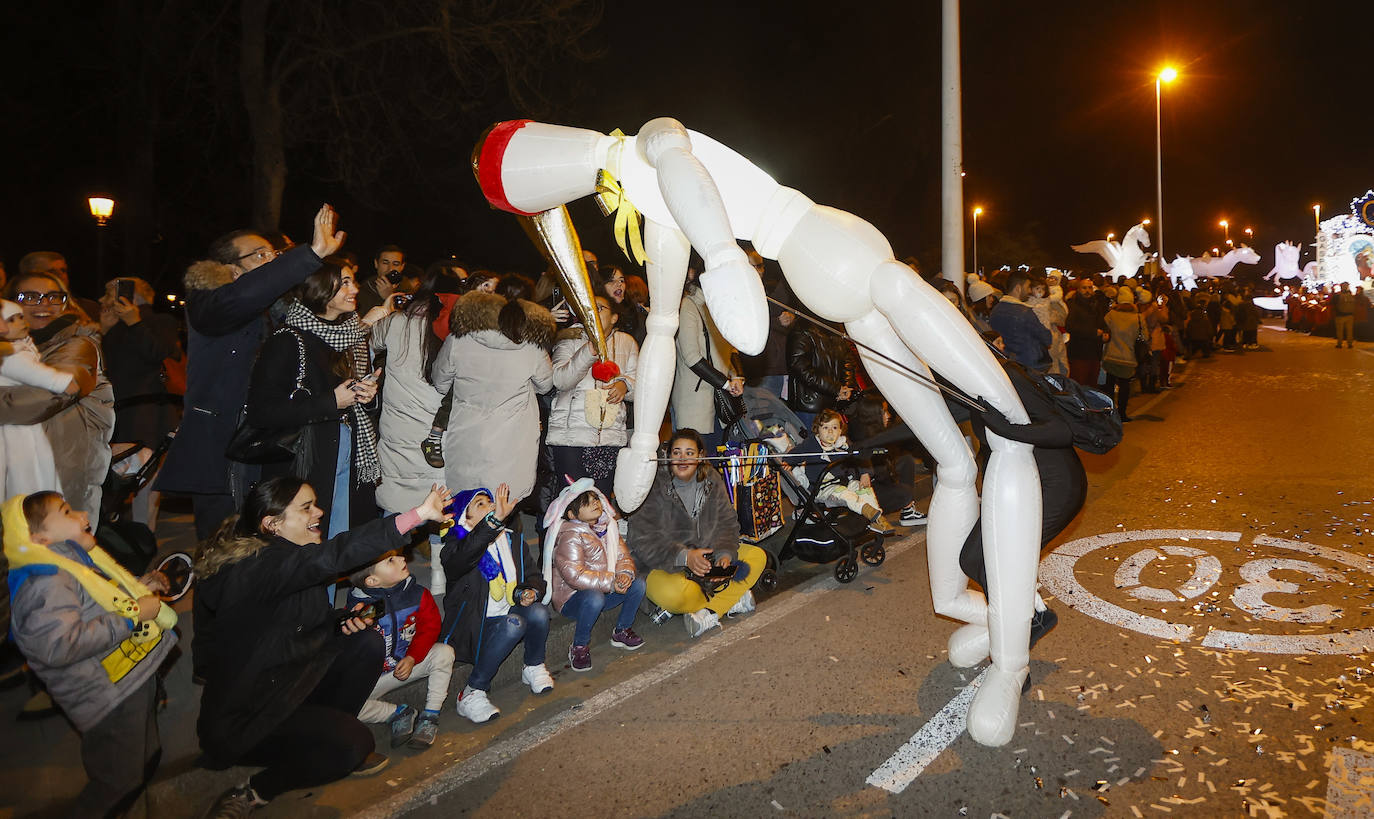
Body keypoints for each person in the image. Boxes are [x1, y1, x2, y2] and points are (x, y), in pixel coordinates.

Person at [196, 478, 451, 818]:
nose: (319, 512)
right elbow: (336, 554)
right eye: (306, 508)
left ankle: (327, 737)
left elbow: (295, 626)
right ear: (272, 524)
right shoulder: (259, 567)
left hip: (290, 687)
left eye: (315, 503)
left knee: (367, 641)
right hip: (249, 717)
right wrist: (417, 515)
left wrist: (341, 621)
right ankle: (257, 790)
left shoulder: (285, 557)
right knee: (356, 745)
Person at [156, 204, 345, 539]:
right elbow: (243, 298)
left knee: (264, 549)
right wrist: (311, 253)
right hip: (222, 449)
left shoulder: (279, 311)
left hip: (267, 445)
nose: (273, 262)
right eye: (260, 255)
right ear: (230, 269)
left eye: (275, 254)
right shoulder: (211, 302)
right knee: (225, 550)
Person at [5, 490, 177, 817]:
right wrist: (132, 616)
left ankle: (142, 775)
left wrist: (142, 585)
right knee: (116, 779)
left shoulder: (71, 562)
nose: (84, 515)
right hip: (106, 696)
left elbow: (98, 603)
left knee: (142, 750)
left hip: (129, 677)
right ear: (38, 538)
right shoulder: (44, 582)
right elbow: (59, 645)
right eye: (67, 512)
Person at [245, 259, 380, 538]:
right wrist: (331, 402)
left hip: (348, 452)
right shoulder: (287, 340)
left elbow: (347, 396)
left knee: (339, 535)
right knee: (306, 543)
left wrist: (366, 396)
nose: (354, 288)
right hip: (305, 461)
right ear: (319, 288)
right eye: (344, 282)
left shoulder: (350, 337)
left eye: (353, 280)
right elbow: (260, 412)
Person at [629, 428, 766, 637]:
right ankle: (730, 598)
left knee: (757, 556)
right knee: (674, 595)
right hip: (661, 566)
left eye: (689, 453)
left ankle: (708, 612)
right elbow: (643, 540)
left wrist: (725, 554)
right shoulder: (652, 484)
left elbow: (727, 523)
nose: (682, 459)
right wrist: (685, 556)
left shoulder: (711, 479)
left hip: (705, 564)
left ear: (701, 456)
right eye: (677, 452)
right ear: (668, 455)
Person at [438, 484, 554, 723]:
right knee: (514, 623)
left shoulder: (512, 541)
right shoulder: (455, 547)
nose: (491, 506)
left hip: (510, 612)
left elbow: (534, 577)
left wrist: (528, 591)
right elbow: (461, 560)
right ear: (464, 516)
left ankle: (532, 666)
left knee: (539, 612)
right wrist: (492, 523)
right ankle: (471, 692)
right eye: (480, 505)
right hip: (477, 626)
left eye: (490, 503)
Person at [2, 273, 114, 519]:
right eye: (29, 297)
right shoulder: (17, 348)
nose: (43, 304)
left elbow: (45, 397)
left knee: (56, 551)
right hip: (16, 469)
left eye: (54, 297)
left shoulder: (79, 344)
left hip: (60, 473)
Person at [431, 290, 554, 506]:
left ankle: (462, 539)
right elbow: (545, 385)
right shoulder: (531, 347)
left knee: (466, 508)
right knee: (504, 506)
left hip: (466, 440)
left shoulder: (458, 341)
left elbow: (440, 382)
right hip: (513, 444)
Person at [347, 551, 455, 749]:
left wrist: (413, 656)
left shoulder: (417, 594)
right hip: (376, 677)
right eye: (390, 560)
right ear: (372, 580)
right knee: (346, 705)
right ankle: (398, 713)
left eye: (397, 555)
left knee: (444, 653)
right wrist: (353, 624)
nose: (402, 559)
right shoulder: (360, 608)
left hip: (410, 663)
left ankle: (430, 715)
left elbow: (430, 628)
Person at [98, 277, 182, 529]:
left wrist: (134, 322)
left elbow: (158, 352)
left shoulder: (158, 321)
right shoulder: (108, 325)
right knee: (115, 476)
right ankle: (118, 534)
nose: (102, 300)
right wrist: (101, 331)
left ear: (133, 297)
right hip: (116, 410)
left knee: (146, 477)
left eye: (109, 294)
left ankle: (142, 537)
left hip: (147, 411)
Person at [541, 479, 646, 670]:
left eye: (596, 498)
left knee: (637, 584)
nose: (595, 503)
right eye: (586, 502)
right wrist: (611, 582)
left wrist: (624, 575)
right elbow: (574, 576)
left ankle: (622, 630)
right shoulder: (570, 535)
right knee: (594, 597)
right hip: (572, 599)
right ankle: (579, 646)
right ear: (572, 514)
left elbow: (624, 557)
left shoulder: (608, 527)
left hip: (604, 589)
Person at [547, 294, 638, 501]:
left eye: (599, 309)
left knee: (600, 504)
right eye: (589, 309)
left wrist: (625, 385)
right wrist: (588, 351)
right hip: (571, 439)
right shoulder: (569, 339)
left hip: (609, 438)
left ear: (614, 317)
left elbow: (641, 383)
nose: (593, 313)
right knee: (573, 503)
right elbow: (560, 380)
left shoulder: (626, 342)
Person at [0, 300, 80, 497]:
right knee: (26, 474)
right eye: (11, 319)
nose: (20, 322)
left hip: (21, 420)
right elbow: (32, 372)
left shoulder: (19, 347)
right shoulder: (10, 355)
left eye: (20, 317)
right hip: (14, 427)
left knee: (36, 468)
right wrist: (62, 382)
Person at [789, 409, 894, 534]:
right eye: (825, 427)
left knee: (864, 488)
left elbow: (859, 456)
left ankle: (877, 519)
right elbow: (794, 454)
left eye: (834, 427)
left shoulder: (843, 444)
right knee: (844, 493)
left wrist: (865, 473)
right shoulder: (811, 444)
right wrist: (787, 461)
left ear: (840, 430)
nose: (830, 431)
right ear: (817, 430)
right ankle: (870, 512)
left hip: (844, 482)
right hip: (823, 488)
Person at [672, 273, 743, 452]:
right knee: (694, 461)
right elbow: (691, 356)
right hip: (695, 400)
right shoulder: (688, 305)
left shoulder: (719, 307)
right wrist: (726, 383)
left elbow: (729, 349)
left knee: (715, 464)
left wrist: (737, 377)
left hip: (719, 401)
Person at [784, 314, 858, 432]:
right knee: (812, 446)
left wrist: (845, 388)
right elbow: (800, 368)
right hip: (810, 406)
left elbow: (848, 361)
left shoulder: (835, 329)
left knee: (833, 446)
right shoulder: (803, 329)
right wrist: (837, 389)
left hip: (834, 403)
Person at [989, 270, 1052, 372]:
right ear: (1018, 288)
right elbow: (1047, 338)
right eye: (1027, 287)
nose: (1030, 291)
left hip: (1007, 365)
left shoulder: (995, 310)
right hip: (1029, 366)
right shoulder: (1025, 313)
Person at [1101, 287, 1145, 422]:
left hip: (1111, 355)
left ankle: (1109, 412)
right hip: (1129, 357)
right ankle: (1122, 413)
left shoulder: (1111, 315)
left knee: (1109, 384)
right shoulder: (1138, 317)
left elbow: (1104, 330)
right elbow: (1145, 336)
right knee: (1125, 385)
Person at [1064, 278, 1107, 386]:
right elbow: (1070, 326)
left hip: (1095, 352)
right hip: (1080, 353)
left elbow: (1102, 323)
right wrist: (1092, 332)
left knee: (1092, 384)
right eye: (1084, 288)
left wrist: (1106, 334)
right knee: (1079, 384)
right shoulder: (1073, 305)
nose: (1087, 290)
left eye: (1089, 288)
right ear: (1078, 289)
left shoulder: (1096, 305)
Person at [356, 244, 405, 317]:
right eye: (385, 263)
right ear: (376, 264)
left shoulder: (408, 289)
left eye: (396, 264)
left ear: (402, 266)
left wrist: (389, 297)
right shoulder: (364, 289)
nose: (390, 268)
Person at [1331, 283, 1356, 349]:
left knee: (1340, 331)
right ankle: (1350, 344)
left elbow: (1332, 302)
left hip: (1340, 315)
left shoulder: (1338, 295)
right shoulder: (1351, 295)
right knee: (1349, 331)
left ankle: (1339, 344)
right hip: (1350, 315)